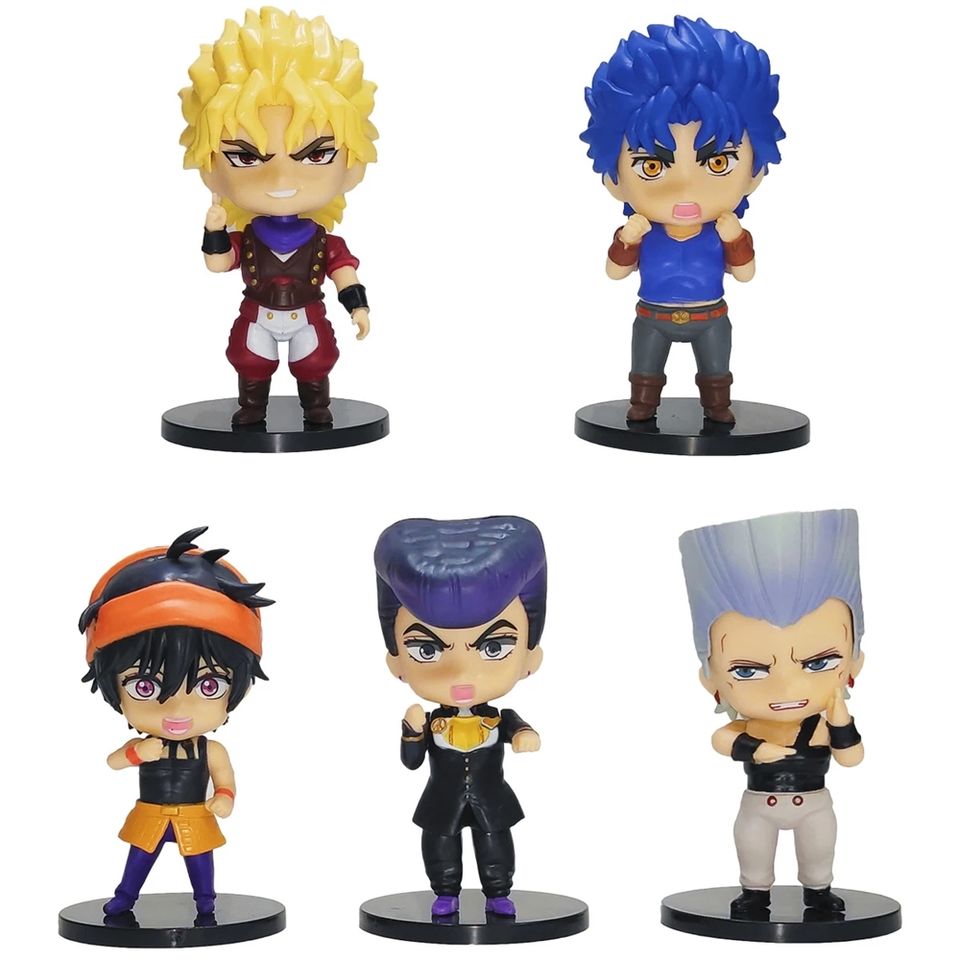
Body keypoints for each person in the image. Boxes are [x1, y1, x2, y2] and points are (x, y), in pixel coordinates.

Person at [582, 16, 785, 422]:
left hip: (710, 317)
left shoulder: (721, 232)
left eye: (718, 162)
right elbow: (614, 273)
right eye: (653, 167)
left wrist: (736, 239)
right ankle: (643, 404)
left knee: (716, 371)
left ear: (755, 173)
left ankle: (717, 406)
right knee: (645, 369)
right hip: (652, 316)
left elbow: (745, 274)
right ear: (613, 179)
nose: (685, 188)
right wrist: (626, 240)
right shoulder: (643, 232)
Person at [180, 8, 378, 424]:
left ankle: (316, 406)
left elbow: (345, 274)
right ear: (209, 165)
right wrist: (214, 230)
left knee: (315, 360)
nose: (281, 178)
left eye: (316, 155)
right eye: (246, 157)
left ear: (353, 164)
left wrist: (357, 306)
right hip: (259, 313)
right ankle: (252, 407)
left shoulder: (325, 242)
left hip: (307, 314)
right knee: (250, 360)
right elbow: (218, 263)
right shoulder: (249, 237)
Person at [679, 510, 865, 916]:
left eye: (818, 663)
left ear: (854, 663)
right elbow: (721, 739)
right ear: (712, 680)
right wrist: (755, 748)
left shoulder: (822, 725)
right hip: (759, 803)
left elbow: (851, 758)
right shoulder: (750, 725)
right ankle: (754, 893)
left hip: (813, 802)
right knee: (753, 849)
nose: (785, 689)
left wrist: (841, 722)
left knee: (819, 849)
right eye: (748, 671)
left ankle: (818, 892)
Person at [79, 527, 271, 916]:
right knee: (139, 858)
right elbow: (113, 762)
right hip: (149, 814)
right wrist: (137, 754)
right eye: (145, 686)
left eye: (208, 685)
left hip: (195, 816)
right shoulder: (145, 746)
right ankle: (125, 897)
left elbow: (225, 779)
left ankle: (206, 902)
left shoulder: (210, 749)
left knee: (200, 862)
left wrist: (224, 797)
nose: (178, 708)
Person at [374, 516, 546, 917]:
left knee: (495, 847)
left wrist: (525, 736)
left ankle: (498, 892)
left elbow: (520, 730)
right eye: (427, 650)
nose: (460, 674)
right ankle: (445, 891)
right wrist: (412, 732)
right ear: (396, 661)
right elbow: (412, 762)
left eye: (493, 647)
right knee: (440, 849)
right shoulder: (429, 720)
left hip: (491, 800)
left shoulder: (501, 718)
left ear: (530, 657)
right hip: (442, 800)